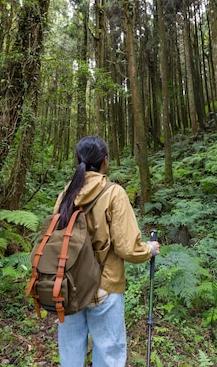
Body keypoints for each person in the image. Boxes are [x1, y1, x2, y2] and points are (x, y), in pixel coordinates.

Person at [53, 135, 160, 367]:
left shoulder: (66, 194)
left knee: (70, 353)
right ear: (105, 161)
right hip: (104, 285)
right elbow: (127, 247)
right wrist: (149, 249)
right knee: (109, 352)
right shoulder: (113, 193)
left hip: (66, 286)